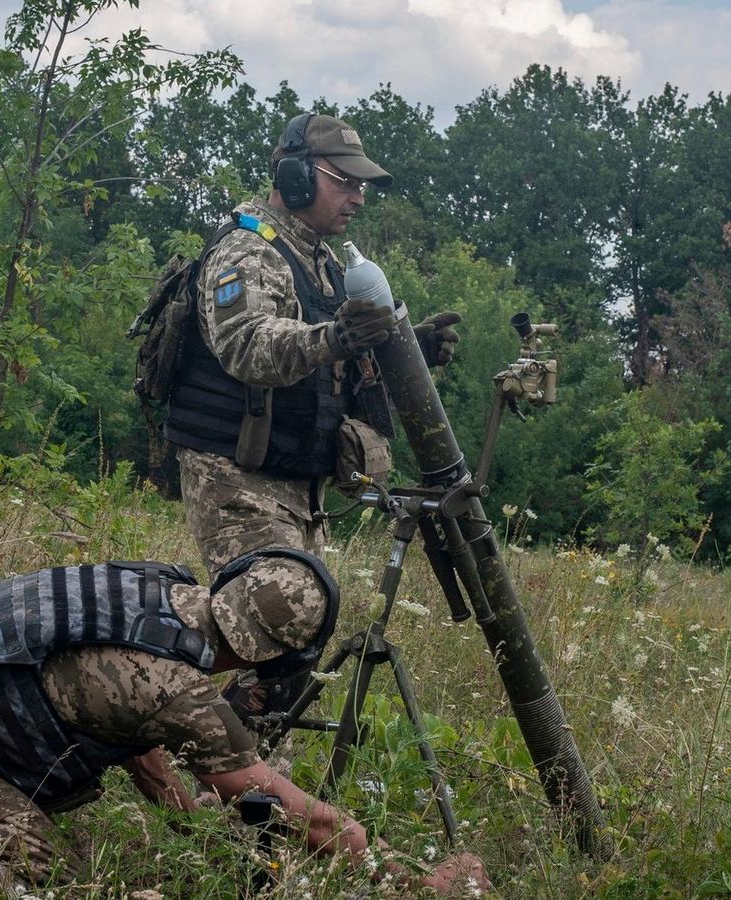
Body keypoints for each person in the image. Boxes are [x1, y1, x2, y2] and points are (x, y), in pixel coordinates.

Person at [0, 547, 490, 894]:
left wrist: (186, 823)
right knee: (43, 873)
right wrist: (419, 881)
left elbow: (127, 722)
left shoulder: (154, 588)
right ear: (277, 657)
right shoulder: (183, 695)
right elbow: (303, 814)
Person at [165, 113, 461, 722]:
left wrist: (401, 351)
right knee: (277, 626)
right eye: (343, 181)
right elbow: (247, 345)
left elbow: (333, 363)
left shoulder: (321, 261)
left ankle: (258, 788)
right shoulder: (247, 251)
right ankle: (160, 709)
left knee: (288, 648)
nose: (357, 197)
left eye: (363, 186)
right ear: (296, 179)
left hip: (296, 484)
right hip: (237, 478)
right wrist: (336, 336)